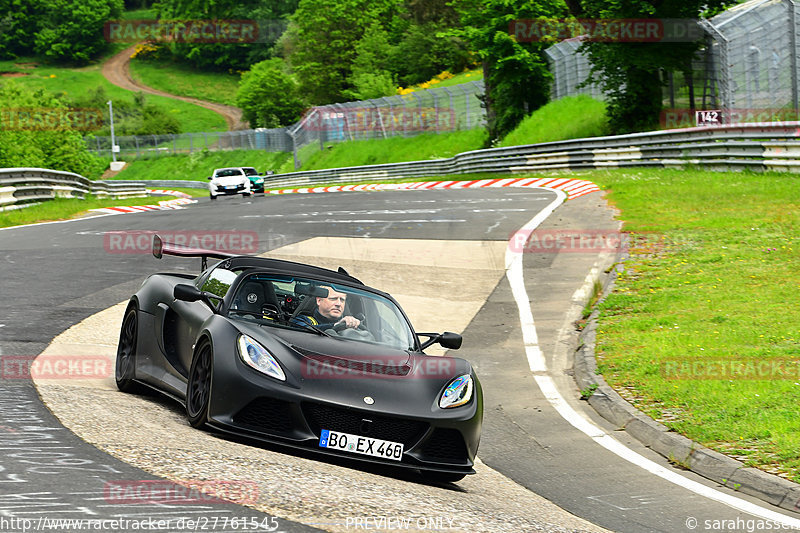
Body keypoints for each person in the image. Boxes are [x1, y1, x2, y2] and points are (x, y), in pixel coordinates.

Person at [293, 285, 361, 330]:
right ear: (319, 301)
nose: (338, 304)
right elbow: (303, 330)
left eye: (342, 300)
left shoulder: (351, 325)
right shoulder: (302, 320)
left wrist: (353, 324)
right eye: (333, 299)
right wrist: (336, 326)